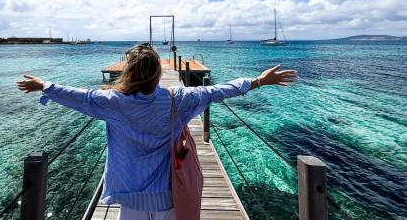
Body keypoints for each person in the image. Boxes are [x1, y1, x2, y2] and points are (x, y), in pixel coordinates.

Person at [16, 44, 297, 220]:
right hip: (168, 195)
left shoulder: (111, 103)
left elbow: (79, 96)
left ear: (128, 72)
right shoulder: (178, 99)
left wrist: (45, 86)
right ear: (157, 74)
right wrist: (258, 81)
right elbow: (217, 91)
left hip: (128, 194)